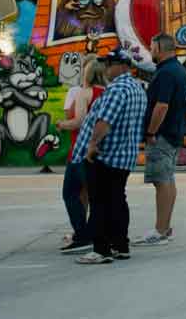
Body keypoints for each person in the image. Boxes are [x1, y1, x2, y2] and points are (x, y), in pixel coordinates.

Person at [71, 46, 147, 264]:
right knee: (117, 200)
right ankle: (120, 245)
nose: (106, 68)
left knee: (100, 202)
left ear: (123, 66)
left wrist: (92, 145)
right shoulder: (137, 88)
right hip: (124, 157)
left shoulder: (116, 89)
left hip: (105, 156)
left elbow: (105, 122)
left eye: (110, 64)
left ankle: (101, 250)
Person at [134, 34, 186, 247]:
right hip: (173, 132)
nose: (150, 50)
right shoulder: (177, 70)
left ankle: (160, 230)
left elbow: (162, 106)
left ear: (159, 47)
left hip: (163, 135)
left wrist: (150, 133)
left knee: (162, 181)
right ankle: (164, 228)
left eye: (151, 46)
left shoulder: (166, 73)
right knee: (167, 179)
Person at [57, 56, 106, 254]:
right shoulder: (107, 93)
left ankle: (81, 233)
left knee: (70, 193)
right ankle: (96, 233)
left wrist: (62, 124)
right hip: (101, 150)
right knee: (94, 194)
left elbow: (79, 121)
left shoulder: (83, 93)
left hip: (79, 149)